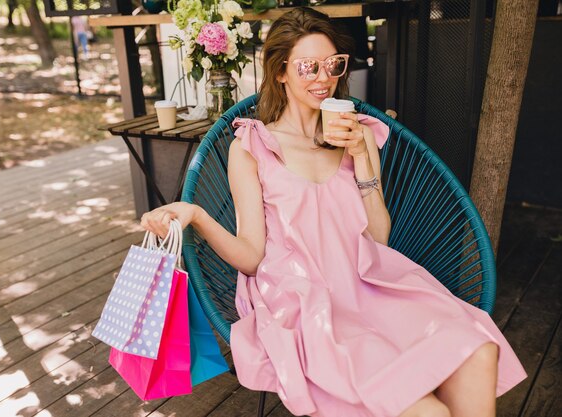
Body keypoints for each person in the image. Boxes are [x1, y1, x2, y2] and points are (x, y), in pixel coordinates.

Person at [140, 7, 527, 417]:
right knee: (427, 412)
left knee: (480, 351)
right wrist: (196, 215)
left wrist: (361, 156)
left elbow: (378, 237)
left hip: (367, 279)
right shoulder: (251, 147)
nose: (323, 78)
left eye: (333, 65)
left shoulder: (358, 134)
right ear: (281, 72)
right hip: (303, 297)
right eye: (308, 67)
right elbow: (252, 257)